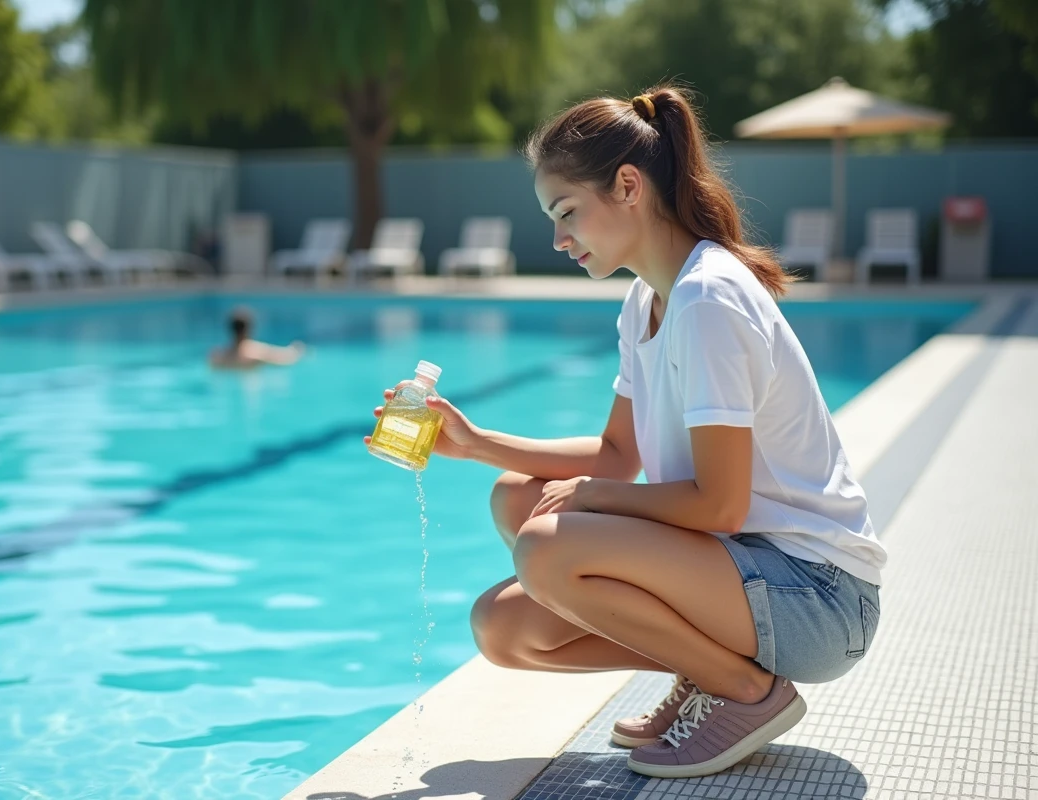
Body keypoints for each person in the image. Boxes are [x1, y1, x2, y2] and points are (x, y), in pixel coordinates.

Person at [365, 86, 885, 779]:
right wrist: (475, 441)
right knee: (508, 580)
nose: (558, 238)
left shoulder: (707, 298)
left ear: (629, 186)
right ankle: (710, 671)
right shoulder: (649, 298)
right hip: (747, 575)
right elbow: (617, 455)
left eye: (567, 212)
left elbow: (719, 505)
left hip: (820, 600)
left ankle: (744, 691)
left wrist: (589, 498)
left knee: (549, 545)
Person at [210, 306, 305, 369]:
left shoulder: (218, 356)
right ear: (248, 330)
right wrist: (297, 349)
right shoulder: (256, 354)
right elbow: (287, 359)